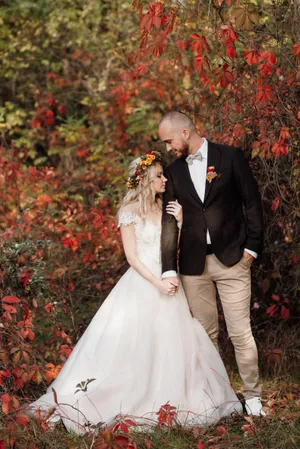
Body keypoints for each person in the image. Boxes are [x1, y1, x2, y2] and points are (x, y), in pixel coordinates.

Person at [28, 150, 242, 434]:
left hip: (169, 282)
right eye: (158, 176)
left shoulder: (165, 207)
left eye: (163, 175)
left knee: (175, 342)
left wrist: (180, 222)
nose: (165, 180)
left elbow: (170, 250)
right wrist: (157, 283)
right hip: (144, 283)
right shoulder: (129, 212)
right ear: (144, 181)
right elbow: (132, 257)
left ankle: (173, 396)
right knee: (133, 343)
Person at [159, 111, 265, 416]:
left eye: (169, 141)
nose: (168, 148)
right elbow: (169, 221)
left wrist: (252, 249)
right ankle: (216, 399)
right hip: (193, 267)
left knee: (240, 333)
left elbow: (252, 202)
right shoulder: (174, 172)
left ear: (184, 133)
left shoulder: (230, 157)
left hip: (233, 259)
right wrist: (169, 267)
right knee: (205, 336)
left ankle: (254, 398)